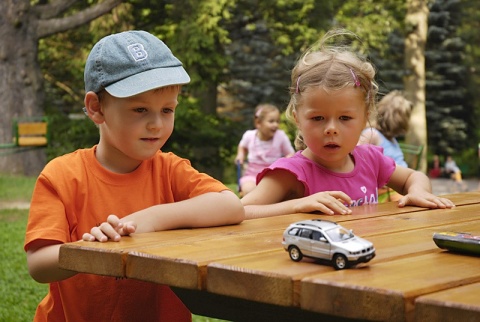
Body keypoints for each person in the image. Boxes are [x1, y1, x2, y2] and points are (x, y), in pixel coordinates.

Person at [24, 30, 244, 322]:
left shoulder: (170, 169)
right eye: (140, 109)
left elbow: (230, 205)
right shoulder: (62, 175)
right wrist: (91, 253)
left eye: (167, 110)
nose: (156, 124)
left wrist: (147, 220)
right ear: (96, 108)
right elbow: (39, 264)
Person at [241, 29, 455, 219]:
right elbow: (241, 211)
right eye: (317, 118)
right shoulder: (290, 173)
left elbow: (414, 176)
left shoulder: (371, 160)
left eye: (345, 118)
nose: (331, 128)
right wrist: (296, 205)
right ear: (297, 118)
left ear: (365, 117)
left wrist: (418, 191)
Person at [358, 90, 412, 202]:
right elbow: (355, 158)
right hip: (389, 191)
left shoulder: (391, 138)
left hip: (402, 185)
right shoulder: (372, 134)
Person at [234, 103, 294, 196]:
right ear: (258, 123)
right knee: (249, 189)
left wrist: (287, 160)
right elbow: (242, 147)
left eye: (277, 121)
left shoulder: (280, 136)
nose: (275, 125)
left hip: (273, 176)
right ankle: (253, 195)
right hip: (252, 175)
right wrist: (240, 155)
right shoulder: (249, 135)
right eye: (271, 121)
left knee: (279, 191)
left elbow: (290, 153)